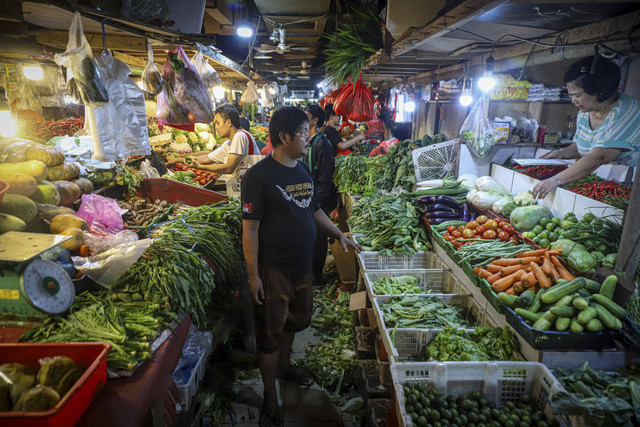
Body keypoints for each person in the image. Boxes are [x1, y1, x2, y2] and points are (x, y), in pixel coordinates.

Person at [241, 106, 361, 426]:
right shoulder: (259, 176)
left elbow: (314, 210)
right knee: (269, 331)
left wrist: (339, 235)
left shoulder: (301, 168)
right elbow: (250, 228)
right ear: (284, 136)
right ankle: (269, 393)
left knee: (295, 320)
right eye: (303, 135)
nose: (308, 140)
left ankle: (285, 367)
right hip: (272, 268)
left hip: (302, 265)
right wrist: (253, 276)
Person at [532, 56, 640, 199]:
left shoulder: (626, 111)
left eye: (578, 95)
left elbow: (599, 157)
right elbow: (581, 146)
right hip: (608, 182)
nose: (573, 101)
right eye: (571, 96)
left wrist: (555, 180)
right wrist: (561, 153)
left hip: (632, 183)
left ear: (601, 90)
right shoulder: (586, 111)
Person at [165, 103, 260, 175]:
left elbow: (229, 168)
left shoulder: (240, 136)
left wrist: (200, 167)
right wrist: (177, 159)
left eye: (218, 123)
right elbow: (207, 158)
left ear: (228, 122)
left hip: (254, 188)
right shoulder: (229, 143)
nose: (216, 127)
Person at [304, 104, 339, 286]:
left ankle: (317, 277)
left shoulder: (322, 143)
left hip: (319, 199)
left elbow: (326, 176)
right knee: (312, 238)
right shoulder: (309, 142)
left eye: (306, 116)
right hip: (311, 198)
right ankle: (312, 274)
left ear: (315, 120)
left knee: (318, 239)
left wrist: (317, 202)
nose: (303, 118)